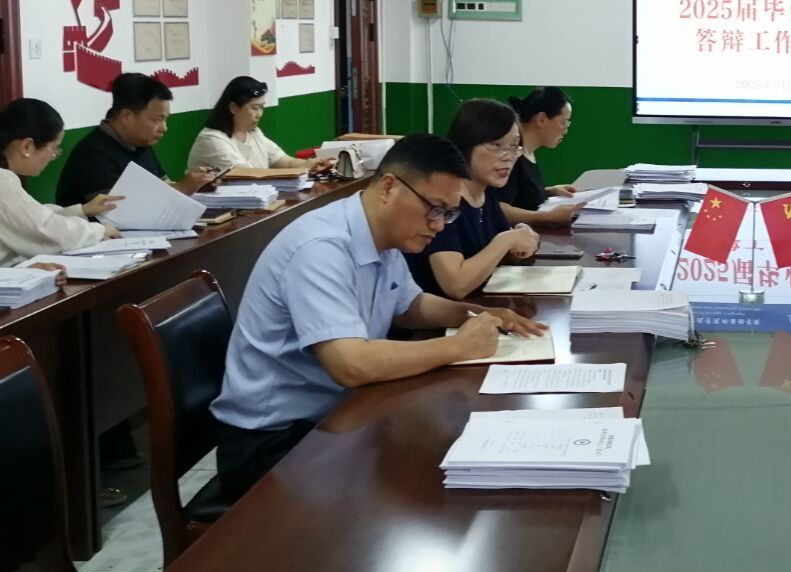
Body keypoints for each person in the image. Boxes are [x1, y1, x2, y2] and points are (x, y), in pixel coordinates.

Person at [210, 133, 547, 500]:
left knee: (442, 461)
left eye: (448, 214)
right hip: (272, 442)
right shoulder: (321, 249)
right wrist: (459, 347)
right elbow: (350, 364)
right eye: (434, 209)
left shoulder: (382, 235)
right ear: (389, 187)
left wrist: (479, 314)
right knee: (421, 487)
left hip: (337, 416)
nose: (439, 225)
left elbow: (410, 306)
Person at [406, 99, 541, 297]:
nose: (508, 156)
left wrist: (521, 239)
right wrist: (507, 240)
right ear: (466, 143)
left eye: (514, 147)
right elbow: (455, 285)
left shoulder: (486, 192)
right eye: (497, 145)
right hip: (433, 313)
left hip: (475, 306)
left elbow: (503, 254)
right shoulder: (442, 199)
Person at [0, 98, 122, 265]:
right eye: (54, 148)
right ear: (26, 146)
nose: (53, 156)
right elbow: (44, 232)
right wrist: (99, 231)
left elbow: (33, 216)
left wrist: (82, 210)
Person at [56, 72, 216, 207]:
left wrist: (196, 185)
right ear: (127, 116)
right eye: (157, 119)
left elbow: (164, 188)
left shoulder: (140, 144)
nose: (164, 128)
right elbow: (117, 210)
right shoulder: (92, 154)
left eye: (165, 119)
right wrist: (182, 188)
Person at [188, 76, 333, 174]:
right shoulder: (211, 139)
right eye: (254, 108)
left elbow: (285, 162)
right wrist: (302, 170)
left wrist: (310, 164)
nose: (259, 114)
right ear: (233, 107)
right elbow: (246, 175)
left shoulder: (254, 133)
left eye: (262, 107)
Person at [498, 87, 583, 227]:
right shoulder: (513, 156)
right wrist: (548, 217)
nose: (565, 130)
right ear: (541, 120)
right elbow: (499, 208)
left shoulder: (528, 153)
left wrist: (549, 192)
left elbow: (522, 196)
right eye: (563, 123)